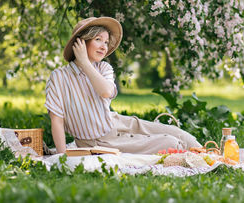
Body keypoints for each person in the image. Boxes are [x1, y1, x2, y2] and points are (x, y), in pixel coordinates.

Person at [44, 17, 202, 154]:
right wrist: (61, 155)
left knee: (178, 134)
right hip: (100, 142)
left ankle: (209, 152)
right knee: (171, 143)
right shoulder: (59, 77)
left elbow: (106, 91)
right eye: (98, 39)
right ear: (80, 42)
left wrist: (85, 63)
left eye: (106, 42)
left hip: (117, 122)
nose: (104, 46)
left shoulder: (104, 68)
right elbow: (56, 120)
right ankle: (196, 153)